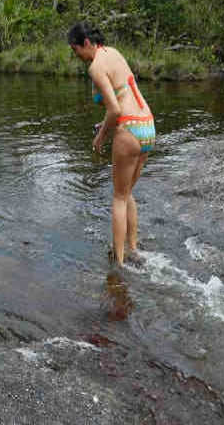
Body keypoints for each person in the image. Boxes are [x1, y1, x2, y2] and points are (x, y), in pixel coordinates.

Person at [69, 22, 155, 267]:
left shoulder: (95, 67)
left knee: (118, 197)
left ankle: (119, 262)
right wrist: (105, 126)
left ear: (86, 43)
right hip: (147, 124)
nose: (77, 56)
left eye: (76, 50)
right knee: (127, 194)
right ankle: (133, 248)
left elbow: (115, 110)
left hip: (128, 127)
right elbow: (120, 99)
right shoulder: (113, 52)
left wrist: (100, 137)